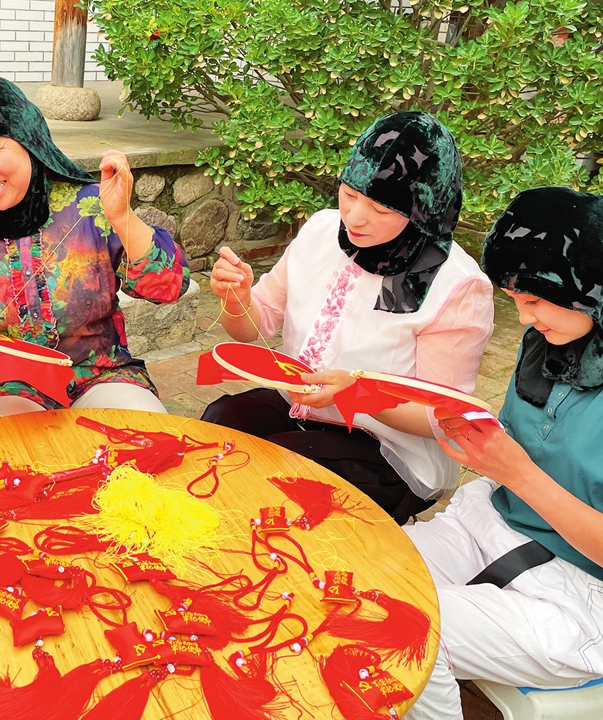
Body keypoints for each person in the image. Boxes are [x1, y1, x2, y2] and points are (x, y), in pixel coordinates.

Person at [404, 187, 603, 719]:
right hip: (489, 528)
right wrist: (479, 440)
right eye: (513, 298)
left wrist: (517, 473)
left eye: (534, 299)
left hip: (582, 593)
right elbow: (526, 446)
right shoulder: (551, 338)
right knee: (358, 568)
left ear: (599, 287)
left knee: (403, 630)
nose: (522, 318)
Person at [201, 111, 494, 524]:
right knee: (219, 426)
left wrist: (356, 394)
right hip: (301, 411)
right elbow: (254, 326)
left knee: (274, 477)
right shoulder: (322, 229)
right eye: (350, 194)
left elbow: (443, 418)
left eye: (379, 207)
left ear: (423, 210)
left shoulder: (457, 285)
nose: (355, 217)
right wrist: (237, 296)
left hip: (386, 445)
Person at [0, 76, 190, 424]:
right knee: (14, 464)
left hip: (100, 375)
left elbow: (168, 287)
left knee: (148, 445)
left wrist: (122, 217)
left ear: (28, 141)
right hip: (3, 387)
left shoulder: (92, 203)